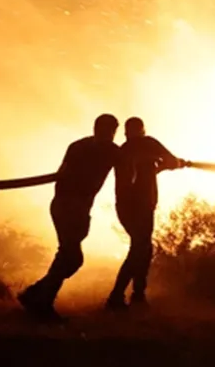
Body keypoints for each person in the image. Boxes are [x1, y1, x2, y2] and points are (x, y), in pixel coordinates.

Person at [18, 114, 121, 321]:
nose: (108, 135)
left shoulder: (82, 146)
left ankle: (35, 295)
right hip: (70, 207)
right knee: (71, 256)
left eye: (110, 131)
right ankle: (41, 302)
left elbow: (60, 174)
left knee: (70, 256)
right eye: (107, 130)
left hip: (68, 206)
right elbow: (62, 174)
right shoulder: (110, 150)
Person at [106, 117, 188, 310]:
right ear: (142, 131)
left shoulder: (123, 150)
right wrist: (170, 164)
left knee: (143, 247)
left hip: (126, 207)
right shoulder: (148, 143)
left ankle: (138, 294)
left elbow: (145, 168)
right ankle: (117, 296)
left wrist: (156, 166)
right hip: (141, 206)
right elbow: (171, 161)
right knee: (139, 249)